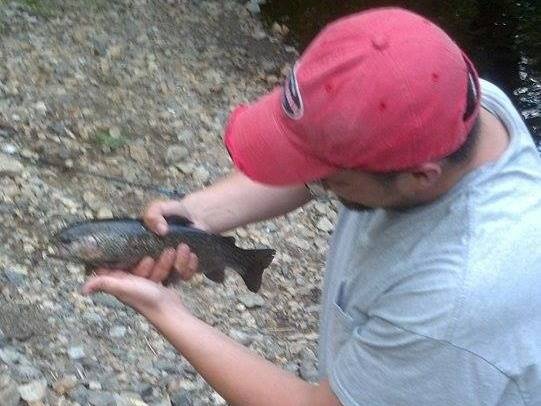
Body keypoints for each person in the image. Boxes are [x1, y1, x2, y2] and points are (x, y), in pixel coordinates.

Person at [82, 7, 541, 405]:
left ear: (420, 174)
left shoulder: (457, 297)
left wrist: (165, 311)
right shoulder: (460, 104)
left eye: (331, 178)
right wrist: (197, 215)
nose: (314, 180)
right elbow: (315, 163)